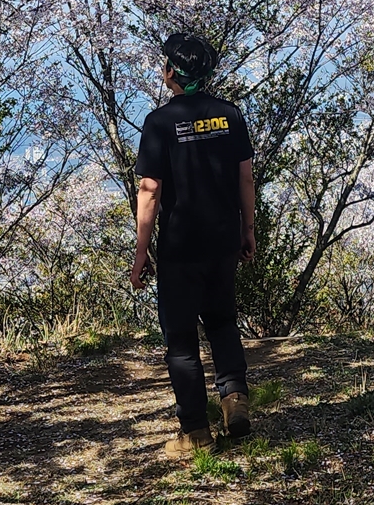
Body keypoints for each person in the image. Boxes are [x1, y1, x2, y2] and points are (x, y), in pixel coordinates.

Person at [129, 31, 258, 460]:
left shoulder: (160, 122)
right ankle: (234, 399)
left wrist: (141, 250)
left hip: (181, 246)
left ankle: (196, 432)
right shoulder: (230, 115)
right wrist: (248, 230)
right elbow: (245, 178)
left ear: (171, 72)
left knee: (182, 339)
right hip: (223, 238)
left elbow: (150, 189)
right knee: (222, 320)